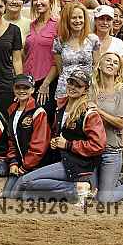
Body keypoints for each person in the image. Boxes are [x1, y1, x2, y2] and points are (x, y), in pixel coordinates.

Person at [15, 70, 106, 202]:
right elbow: (59, 134)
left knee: (25, 181)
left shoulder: (89, 113)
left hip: (79, 165)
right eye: (71, 83)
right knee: (27, 195)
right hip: (63, 161)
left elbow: (98, 145)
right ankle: (76, 190)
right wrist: (55, 141)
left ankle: (77, 188)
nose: (73, 87)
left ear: (85, 90)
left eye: (78, 85)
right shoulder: (60, 106)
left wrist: (68, 145)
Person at [90, 52, 123, 201]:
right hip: (92, 150)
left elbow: (120, 123)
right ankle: (117, 181)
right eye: (108, 60)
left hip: (111, 151)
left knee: (104, 198)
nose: (111, 64)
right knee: (90, 194)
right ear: (99, 65)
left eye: (115, 63)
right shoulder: (92, 90)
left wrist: (98, 111)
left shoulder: (121, 92)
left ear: (118, 70)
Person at [2, 75, 51, 198]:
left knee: (17, 195)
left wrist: (25, 167)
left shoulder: (38, 112)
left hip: (37, 165)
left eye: (26, 88)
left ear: (33, 90)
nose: (22, 90)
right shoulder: (12, 109)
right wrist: (13, 162)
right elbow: (11, 140)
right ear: (13, 89)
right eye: (18, 87)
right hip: (20, 164)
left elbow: (39, 146)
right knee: (8, 194)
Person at [53, 1, 99, 102]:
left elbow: (96, 66)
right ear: (67, 20)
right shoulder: (59, 42)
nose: (78, 21)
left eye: (80, 17)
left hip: (86, 90)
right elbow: (60, 69)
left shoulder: (93, 40)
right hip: (65, 89)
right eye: (73, 18)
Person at [24, 0, 59, 112]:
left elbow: (58, 60)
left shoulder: (58, 25)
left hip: (47, 82)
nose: (38, 2)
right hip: (28, 83)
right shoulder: (30, 25)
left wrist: (45, 84)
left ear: (51, 0)